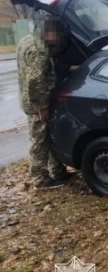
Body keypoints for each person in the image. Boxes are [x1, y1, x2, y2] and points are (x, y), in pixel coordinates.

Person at [17, 13, 74, 189]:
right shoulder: (38, 49)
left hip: (33, 99)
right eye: (56, 34)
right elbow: (35, 80)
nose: (58, 39)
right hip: (36, 103)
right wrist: (42, 106)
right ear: (48, 32)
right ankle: (41, 179)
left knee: (47, 136)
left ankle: (57, 171)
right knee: (39, 140)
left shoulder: (26, 40)